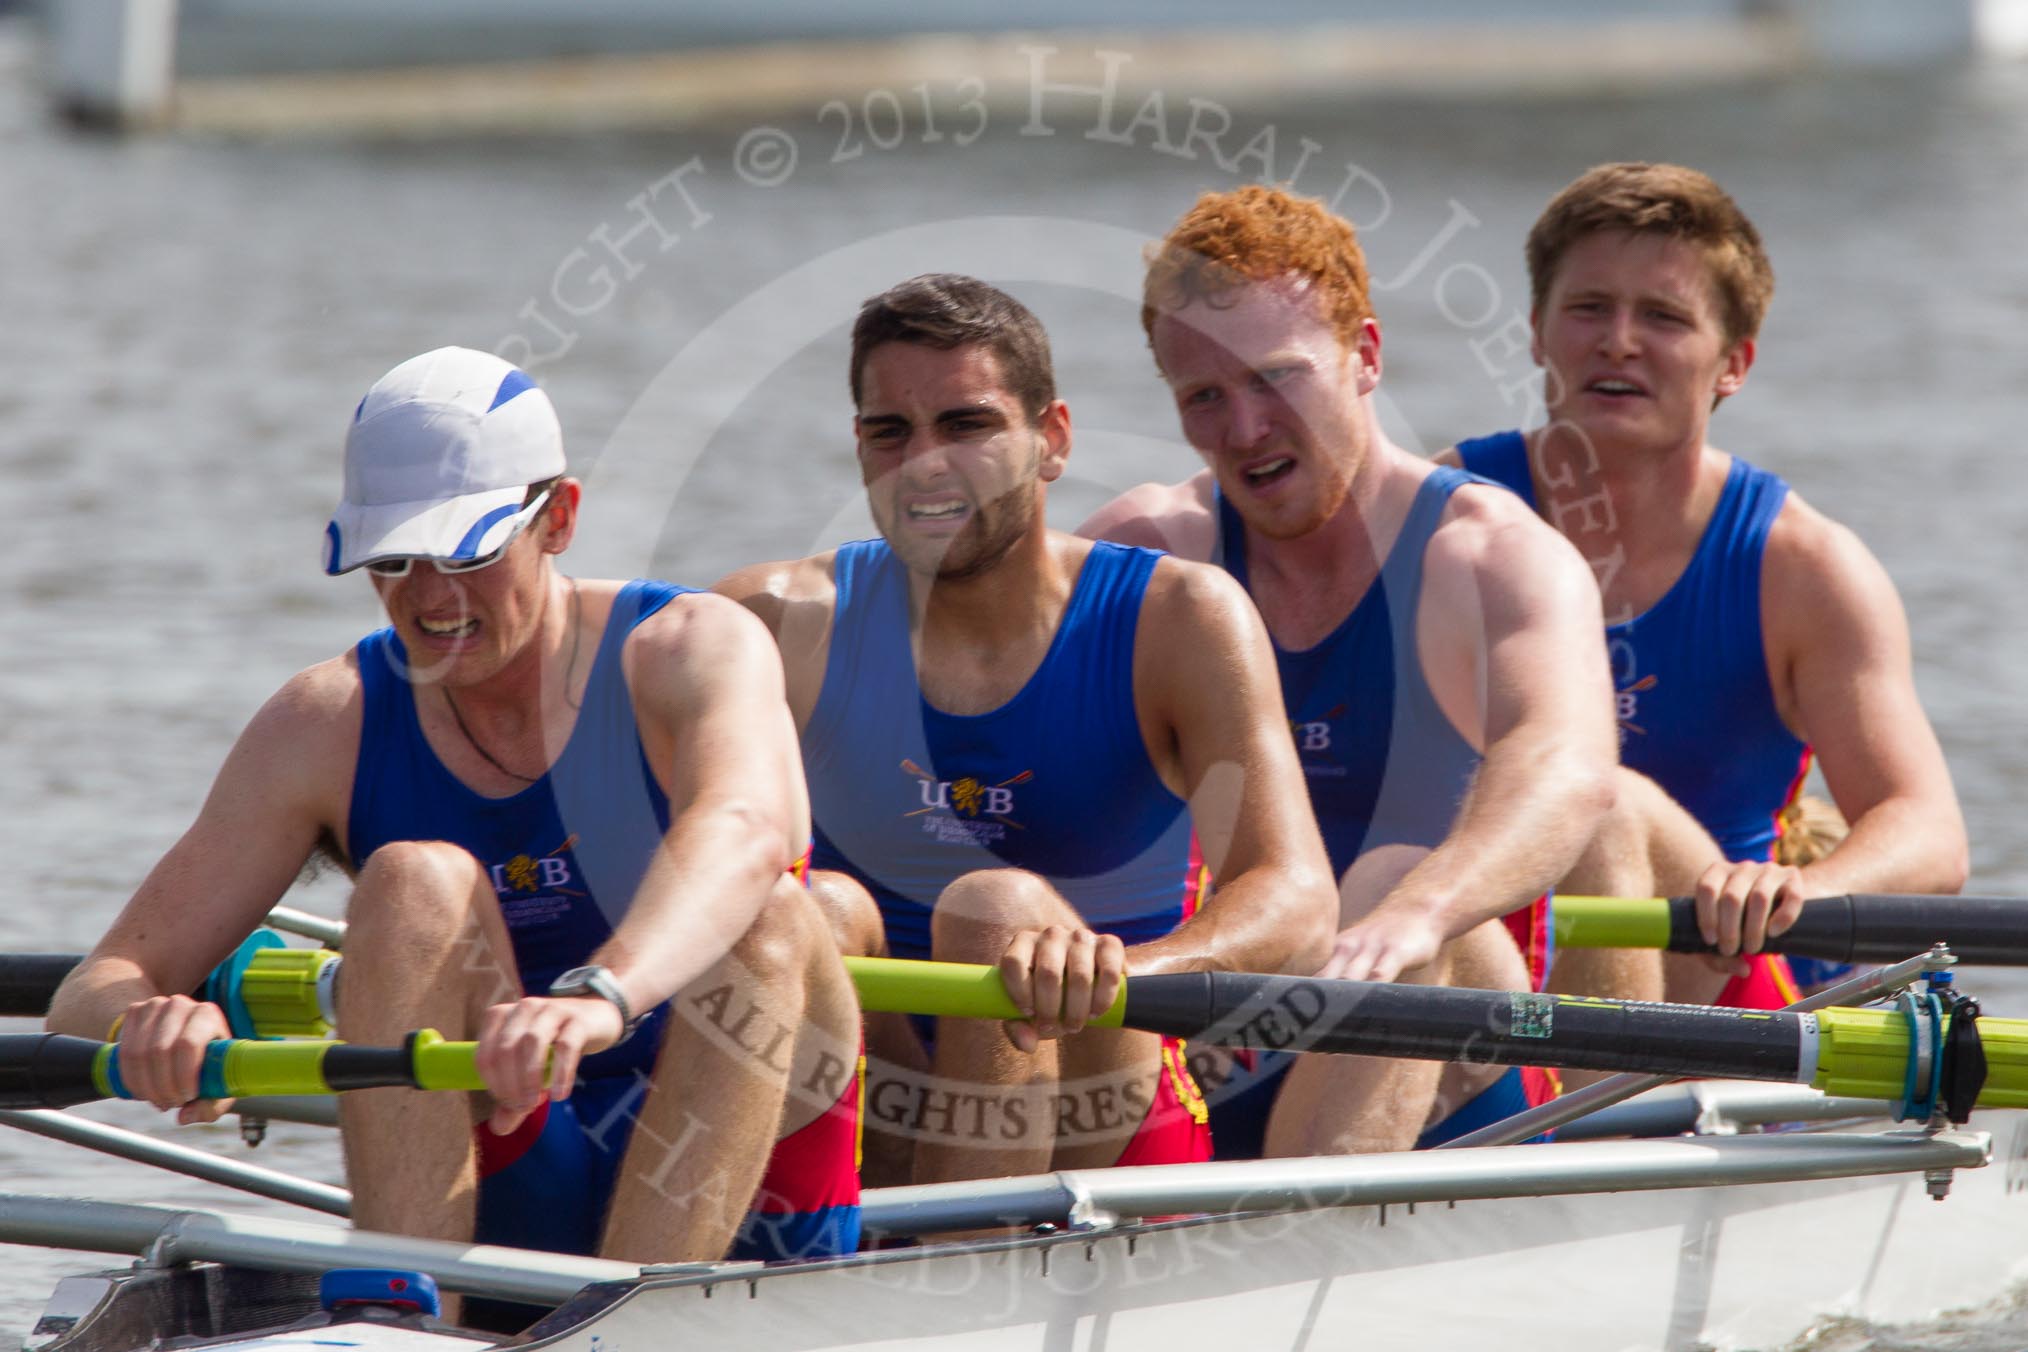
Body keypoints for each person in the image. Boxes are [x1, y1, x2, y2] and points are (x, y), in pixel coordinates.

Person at [46, 347, 863, 1303]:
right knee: (409, 880)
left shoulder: (687, 650)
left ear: (558, 518)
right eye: (393, 560)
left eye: (469, 551)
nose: (431, 599)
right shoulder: (326, 723)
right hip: (521, 1152)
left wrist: (602, 994)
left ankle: (634, 1315)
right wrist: (153, 1021)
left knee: (773, 915)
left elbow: (745, 828)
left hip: (753, 1172)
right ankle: (395, 1310)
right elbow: (87, 995)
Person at [716, 274, 1337, 1188]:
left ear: (1051, 440)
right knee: (820, 913)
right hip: (879, 1078)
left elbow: (1298, 900)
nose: (925, 462)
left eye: (967, 426)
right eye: (892, 432)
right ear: (859, 448)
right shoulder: (769, 620)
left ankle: (945, 1279)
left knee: (995, 911)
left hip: (1105, 1096)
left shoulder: (1180, 618)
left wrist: (1121, 967)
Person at [1081, 186, 1632, 1154]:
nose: (1244, 427)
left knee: (1389, 877)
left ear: (1366, 356)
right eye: (1205, 396)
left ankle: (1270, 1264)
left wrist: (1423, 911)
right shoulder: (1148, 549)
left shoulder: (1491, 556)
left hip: (1436, 1038)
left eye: (1276, 378)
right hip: (1216, 1043)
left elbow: (1569, 766)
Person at [1444, 162, 1967, 1006]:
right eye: (1589, 309)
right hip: (1486, 964)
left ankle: (1587, 1123)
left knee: (1601, 803)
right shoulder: (1441, 519)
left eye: (1662, 316)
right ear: (1538, 332)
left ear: (1734, 365)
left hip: (1717, 972)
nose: (1618, 341)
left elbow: (1930, 836)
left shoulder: (1805, 569)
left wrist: (1806, 889)